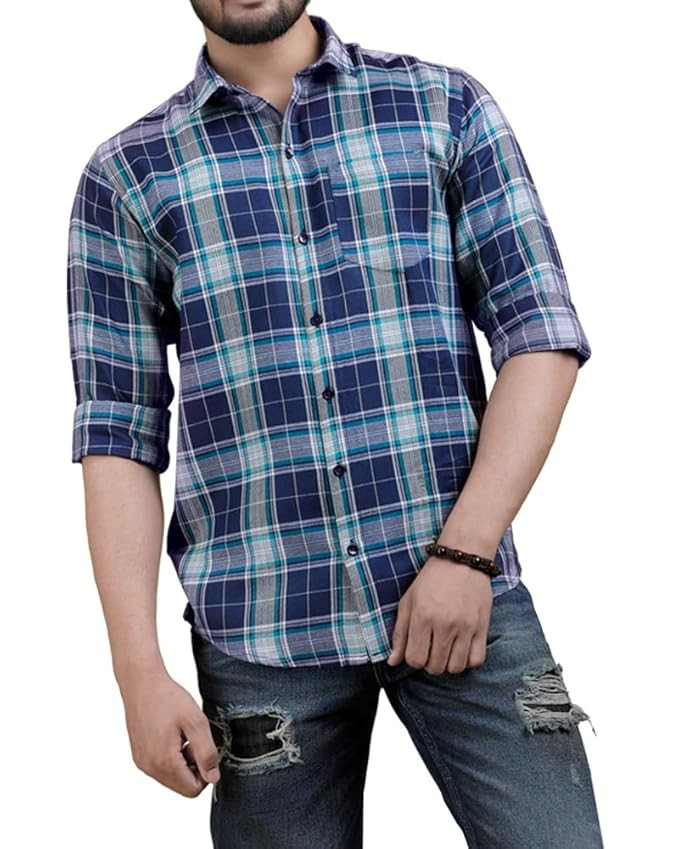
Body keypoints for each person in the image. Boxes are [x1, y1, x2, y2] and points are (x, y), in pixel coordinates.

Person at [66, 3, 604, 847]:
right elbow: (117, 435)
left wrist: (465, 553)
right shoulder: (127, 174)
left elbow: (539, 337)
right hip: (258, 633)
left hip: (463, 601)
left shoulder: (443, 106)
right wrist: (137, 672)